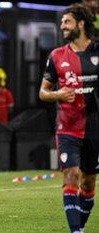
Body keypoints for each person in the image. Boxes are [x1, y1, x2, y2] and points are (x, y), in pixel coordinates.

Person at [39, 4, 99, 233]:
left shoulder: (97, 52)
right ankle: (76, 231)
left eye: (67, 22)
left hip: (94, 127)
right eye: (62, 22)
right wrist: (58, 94)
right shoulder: (56, 56)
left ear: (80, 24)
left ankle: (79, 227)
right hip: (67, 127)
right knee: (71, 176)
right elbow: (43, 92)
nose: (62, 26)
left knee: (88, 183)